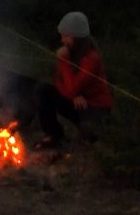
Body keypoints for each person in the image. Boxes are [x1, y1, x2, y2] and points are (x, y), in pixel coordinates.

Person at [32, 11, 113, 150]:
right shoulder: (71, 53)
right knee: (43, 89)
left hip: (95, 108)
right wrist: (75, 95)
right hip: (78, 103)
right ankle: (53, 135)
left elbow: (71, 87)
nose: (63, 40)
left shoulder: (91, 58)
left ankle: (95, 134)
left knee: (90, 137)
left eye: (66, 36)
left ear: (77, 38)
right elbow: (57, 80)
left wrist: (63, 61)